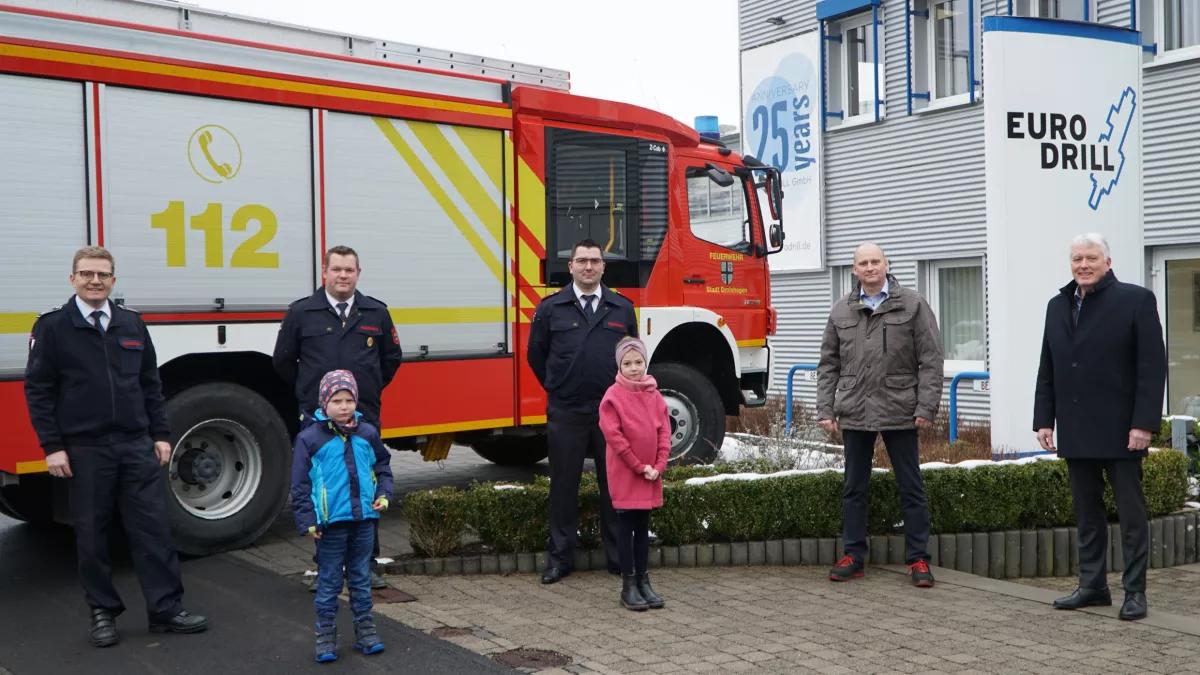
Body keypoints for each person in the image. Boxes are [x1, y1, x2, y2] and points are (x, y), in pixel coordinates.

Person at [24, 246, 208, 647]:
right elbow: (39, 390)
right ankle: (103, 612)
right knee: (92, 534)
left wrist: (160, 435)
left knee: (153, 531)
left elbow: (150, 385)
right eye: (87, 273)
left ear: (113, 280)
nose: (95, 281)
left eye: (103, 274)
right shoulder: (54, 327)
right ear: (72, 278)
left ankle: (166, 609)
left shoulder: (131, 324)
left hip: (135, 445)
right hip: (85, 449)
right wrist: (52, 446)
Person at [1034, 233, 1166, 622]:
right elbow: (1048, 366)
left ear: (1107, 262)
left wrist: (1143, 424)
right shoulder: (1057, 306)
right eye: (1077, 259)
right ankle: (1093, 585)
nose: (1083, 265)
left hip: (1123, 430)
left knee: (1130, 514)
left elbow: (1151, 368)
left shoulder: (1136, 301)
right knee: (1087, 513)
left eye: (1091, 258)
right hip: (1076, 428)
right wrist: (1044, 418)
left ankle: (1135, 592)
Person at [273, 245, 402, 590]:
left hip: (364, 418)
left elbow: (391, 360)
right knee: (324, 490)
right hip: (318, 420)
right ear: (324, 274)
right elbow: (283, 362)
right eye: (337, 269)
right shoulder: (302, 313)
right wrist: (310, 395)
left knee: (365, 486)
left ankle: (368, 563)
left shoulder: (376, 312)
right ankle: (326, 566)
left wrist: (367, 393)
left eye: (349, 270)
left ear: (358, 274)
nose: (343, 275)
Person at [816, 242, 943, 588]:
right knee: (854, 488)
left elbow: (931, 359)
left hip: (901, 409)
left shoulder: (913, 305)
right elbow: (828, 364)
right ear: (854, 270)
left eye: (875, 261)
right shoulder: (841, 311)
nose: (870, 267)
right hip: (855, 409)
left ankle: (918, 559)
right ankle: (853, 556)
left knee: (911, 487)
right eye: (863, 263)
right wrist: (826, 407)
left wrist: (926, 406)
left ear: (887, 265)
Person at [528, 239, 637, 584]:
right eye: (581, 261)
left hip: (611, 412)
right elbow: (536, 355)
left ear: (604, 267)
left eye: (594, 261)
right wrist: (557, 385)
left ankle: (619, 557)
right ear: (571, 266)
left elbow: (631, 354)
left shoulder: (621, 308)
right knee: (563, 486)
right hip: (567, 410)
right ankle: (560, 559)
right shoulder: (550, 308)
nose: (588, 267)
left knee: (614, 485)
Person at [291, 370, 393, 663]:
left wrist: (384, 495)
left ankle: (366, 631)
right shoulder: (310, 439)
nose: (344, 406)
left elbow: (383, 468)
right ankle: (325, 636)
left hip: (363, 521)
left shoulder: (367, 434)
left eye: (349, 399)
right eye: (337, 400)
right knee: (329, 582)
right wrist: (308, 521)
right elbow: (300, 484)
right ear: (324, 403)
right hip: (329, 525)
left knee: (361, 578)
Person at [598, 337, 669, 611]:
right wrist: (640, 466)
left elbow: (664, 431)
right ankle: (628, 585)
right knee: (626, 528)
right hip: (628, 473)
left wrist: (659, 466)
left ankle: (643, 580)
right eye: (627, 363)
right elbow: (615, 439)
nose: (634, 368)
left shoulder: (655, 394)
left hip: (651, 473)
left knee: (642, 529)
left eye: (638, 362)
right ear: (619, 366)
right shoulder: (612, 397)